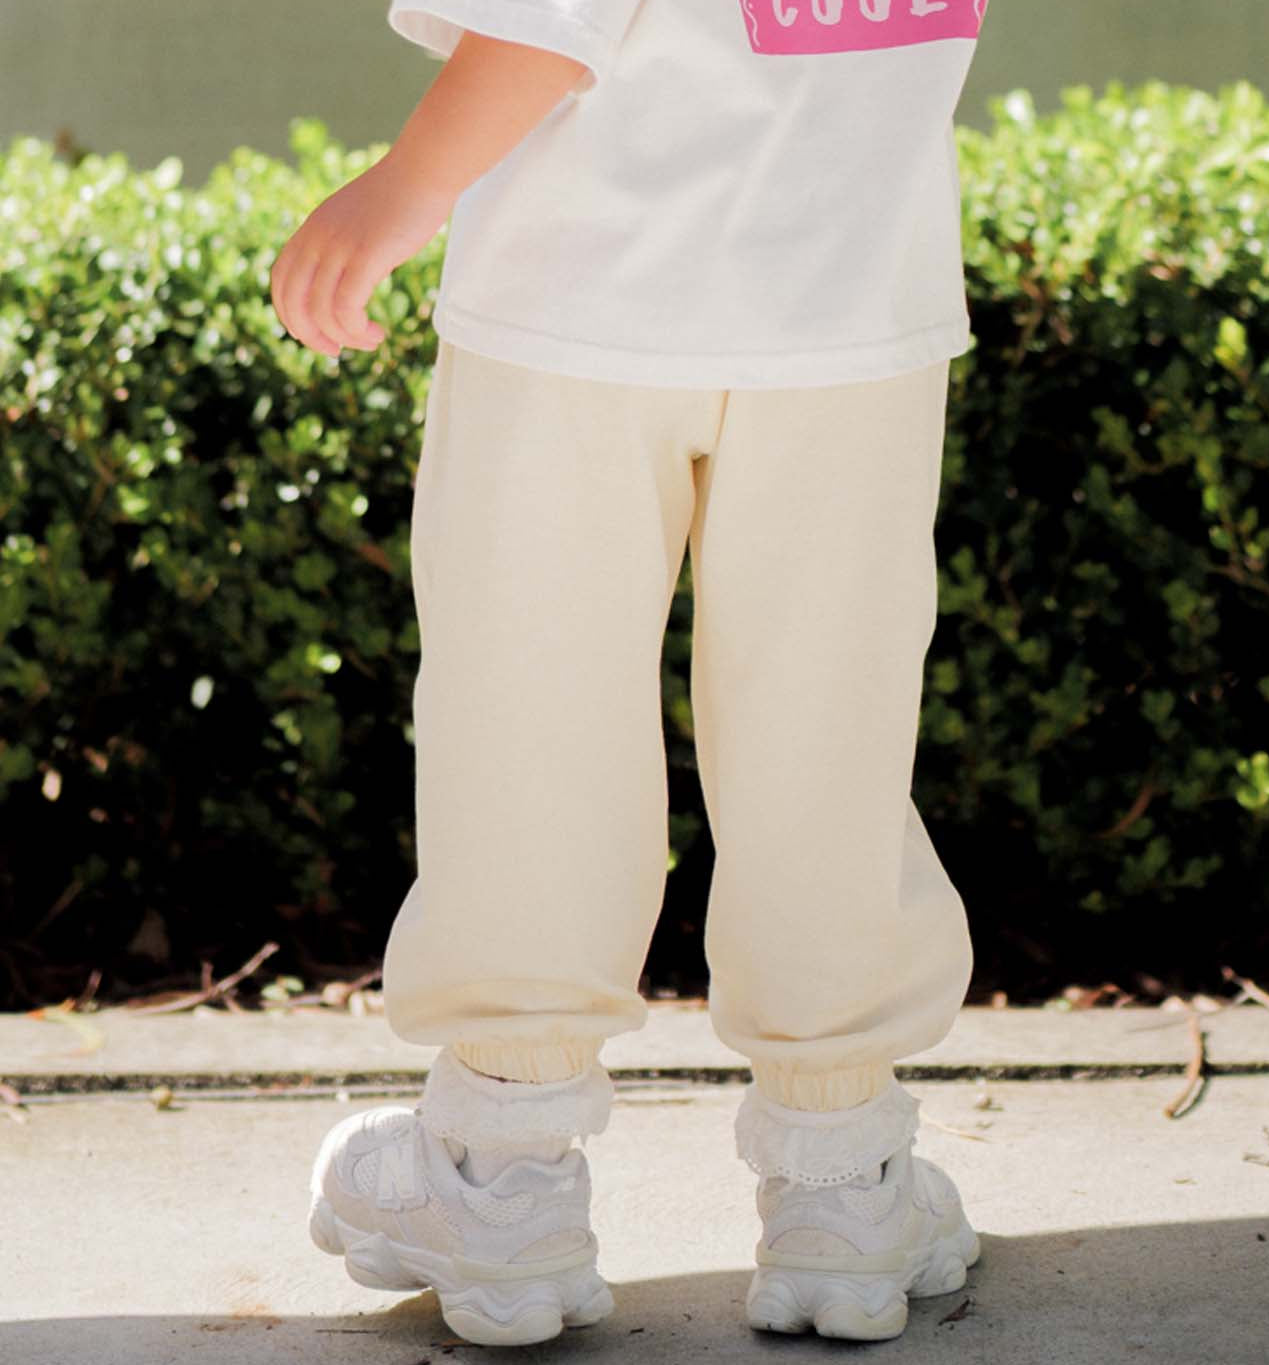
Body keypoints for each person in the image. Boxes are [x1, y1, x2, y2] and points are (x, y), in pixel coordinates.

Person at [271, 0, 989, 1346]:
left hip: (581, 299)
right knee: (825, 737)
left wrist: (402, 188)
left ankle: (506, 1167)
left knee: (532, 722)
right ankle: (842, 1170)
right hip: (852, 299)